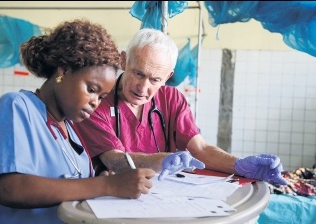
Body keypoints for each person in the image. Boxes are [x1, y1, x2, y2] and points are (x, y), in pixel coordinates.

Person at [0, 19, 161, 224]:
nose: (95, 102)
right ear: (63, 71)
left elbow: (69, 188)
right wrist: (107, 186)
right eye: (91, 89)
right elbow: (9, 188)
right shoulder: (17, 107)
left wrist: (103, 183)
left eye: (102, 96)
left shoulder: (71, 132)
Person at [75, 28, 287, 186]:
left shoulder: (172, 99)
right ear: (123, 61)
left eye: (155, 79)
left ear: (167, 77)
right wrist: (164, 159)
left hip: (168, 194)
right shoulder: (97, 101)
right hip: (120, 197)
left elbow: (200, 149)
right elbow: (114, 159)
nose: (143, 87)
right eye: (138, 73)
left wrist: (239, 165)